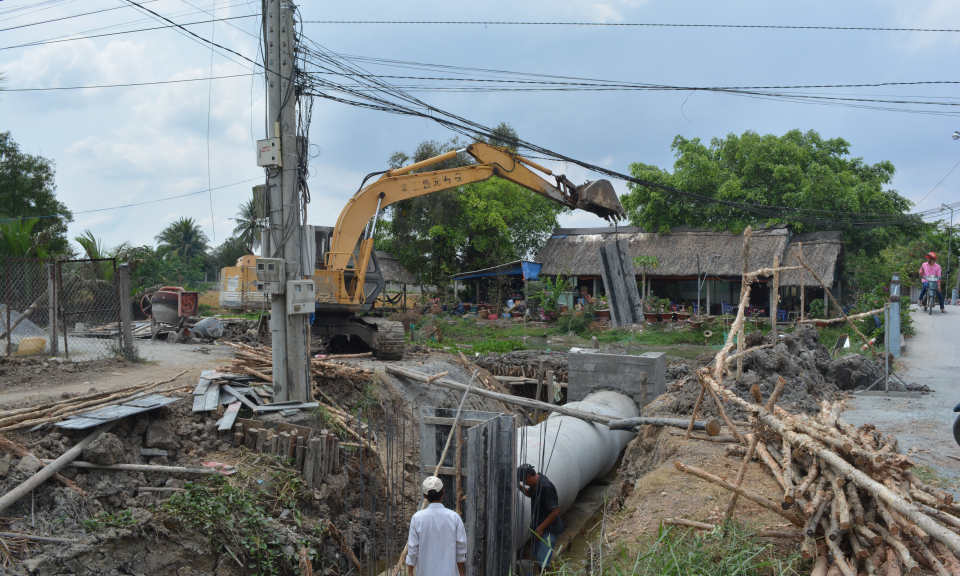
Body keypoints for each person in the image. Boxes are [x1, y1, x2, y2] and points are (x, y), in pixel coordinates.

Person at [406, 477, 467, 576]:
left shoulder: (417, 518)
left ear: (424, 495)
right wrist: (461, 572)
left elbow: (413, 548)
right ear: (443, 492)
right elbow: (461, 549)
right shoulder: (454, 517)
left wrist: (410, 572)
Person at [517, 464, 564, 569]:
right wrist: (518, 485)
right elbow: (530, 493)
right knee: (539, 558)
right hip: (540, 526)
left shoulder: (546, 487)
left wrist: (540, 528)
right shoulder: (535, 484)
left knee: (543, 563)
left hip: (548, 529)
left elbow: (555, 511)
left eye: (523, 481)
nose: (524, 483)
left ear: (529, 476)